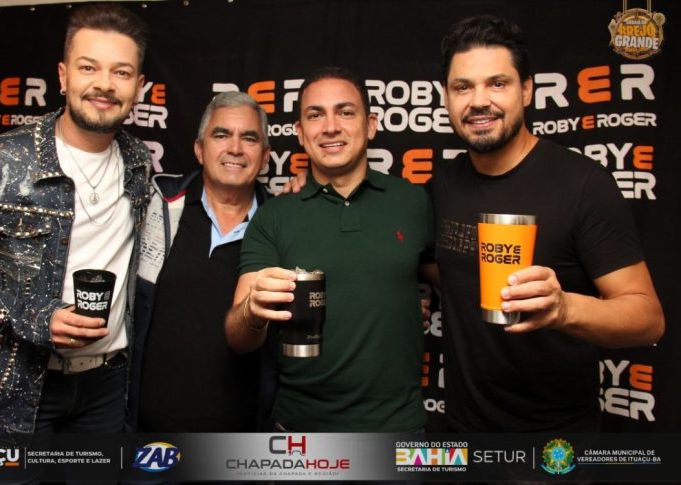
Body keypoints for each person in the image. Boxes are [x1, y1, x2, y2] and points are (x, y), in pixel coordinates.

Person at [0, 3, 150, 437]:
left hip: (107, 387)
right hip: (15, 386)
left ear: (138, 86)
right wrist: (34, 318)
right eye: (89, 67)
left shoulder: (139, 162)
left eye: (121, 72)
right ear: (63, 77)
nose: (104, 84)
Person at [428, 14, 665, 432]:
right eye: (463, 87)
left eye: (497, 83)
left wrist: (564, 308)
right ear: (445, 95)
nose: (479, 101)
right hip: (460, 432)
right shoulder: (442, 186)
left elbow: (647, 320)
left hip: (556, 440)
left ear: (527, 90)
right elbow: (435, 263)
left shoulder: (583, 184)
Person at [225, 66, 435, 432]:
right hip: (300, 430)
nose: (331, 127)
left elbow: (457, 283)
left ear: (371, 125)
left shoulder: (413, 201)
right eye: (315, 115)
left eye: (346, 112)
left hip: (400, 429)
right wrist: (253, 310)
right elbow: (238, 338)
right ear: (300, 132)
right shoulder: (274, 216)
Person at [127, 91, 274, 432]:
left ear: (265, 156)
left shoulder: (282, 225)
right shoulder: (155, 206)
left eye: (249, 138)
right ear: (199, 149)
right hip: (150, 435)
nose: (235, 148)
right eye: (221, 135)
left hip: (242, 443)